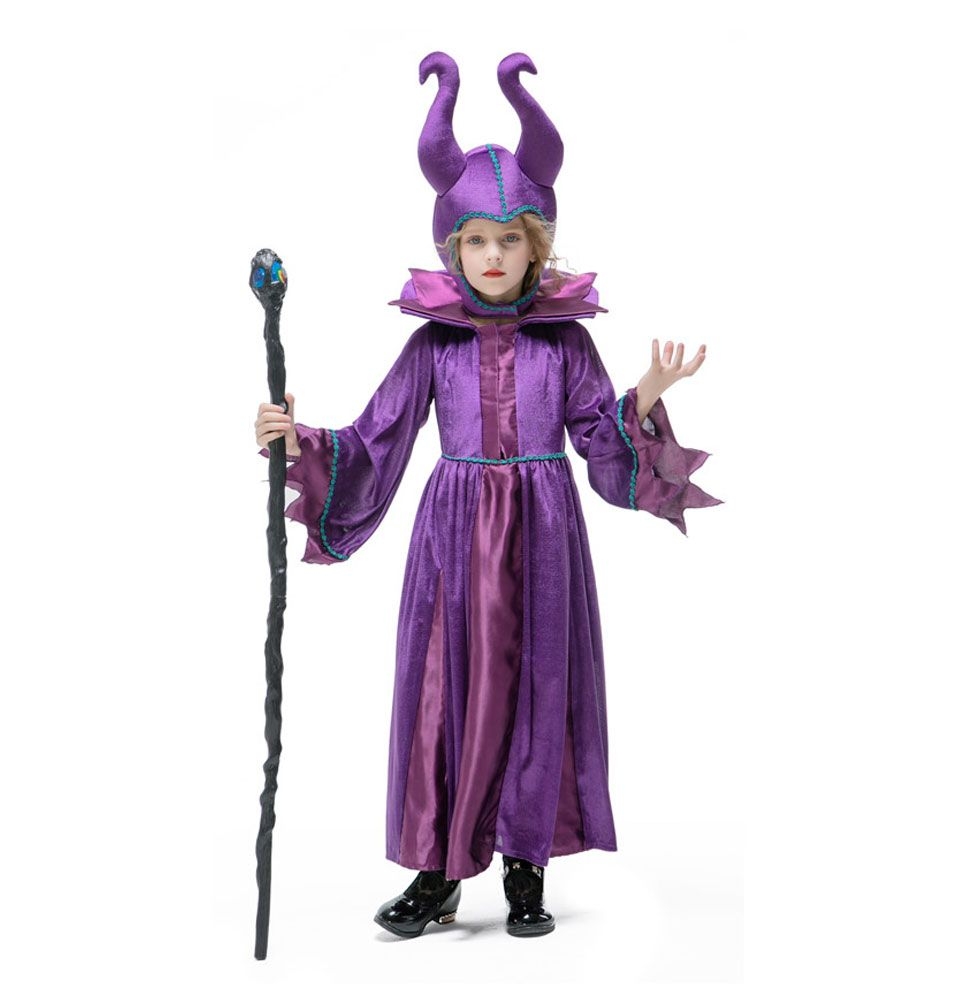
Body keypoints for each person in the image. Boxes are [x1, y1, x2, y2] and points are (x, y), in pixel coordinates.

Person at [254, 51, 721, 939]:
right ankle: (437, 872)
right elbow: (376, 438)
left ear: (536, 246)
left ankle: (525, 862)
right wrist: (298, 442)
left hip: (544, 536)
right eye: (477, 240)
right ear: (453, 248)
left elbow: (601, 444)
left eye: (510, 239)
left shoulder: (565, 345)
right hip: (454, 538)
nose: (494, 255)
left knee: (539, 684)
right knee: (446, 690)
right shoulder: (434, 346)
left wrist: (646, 397)